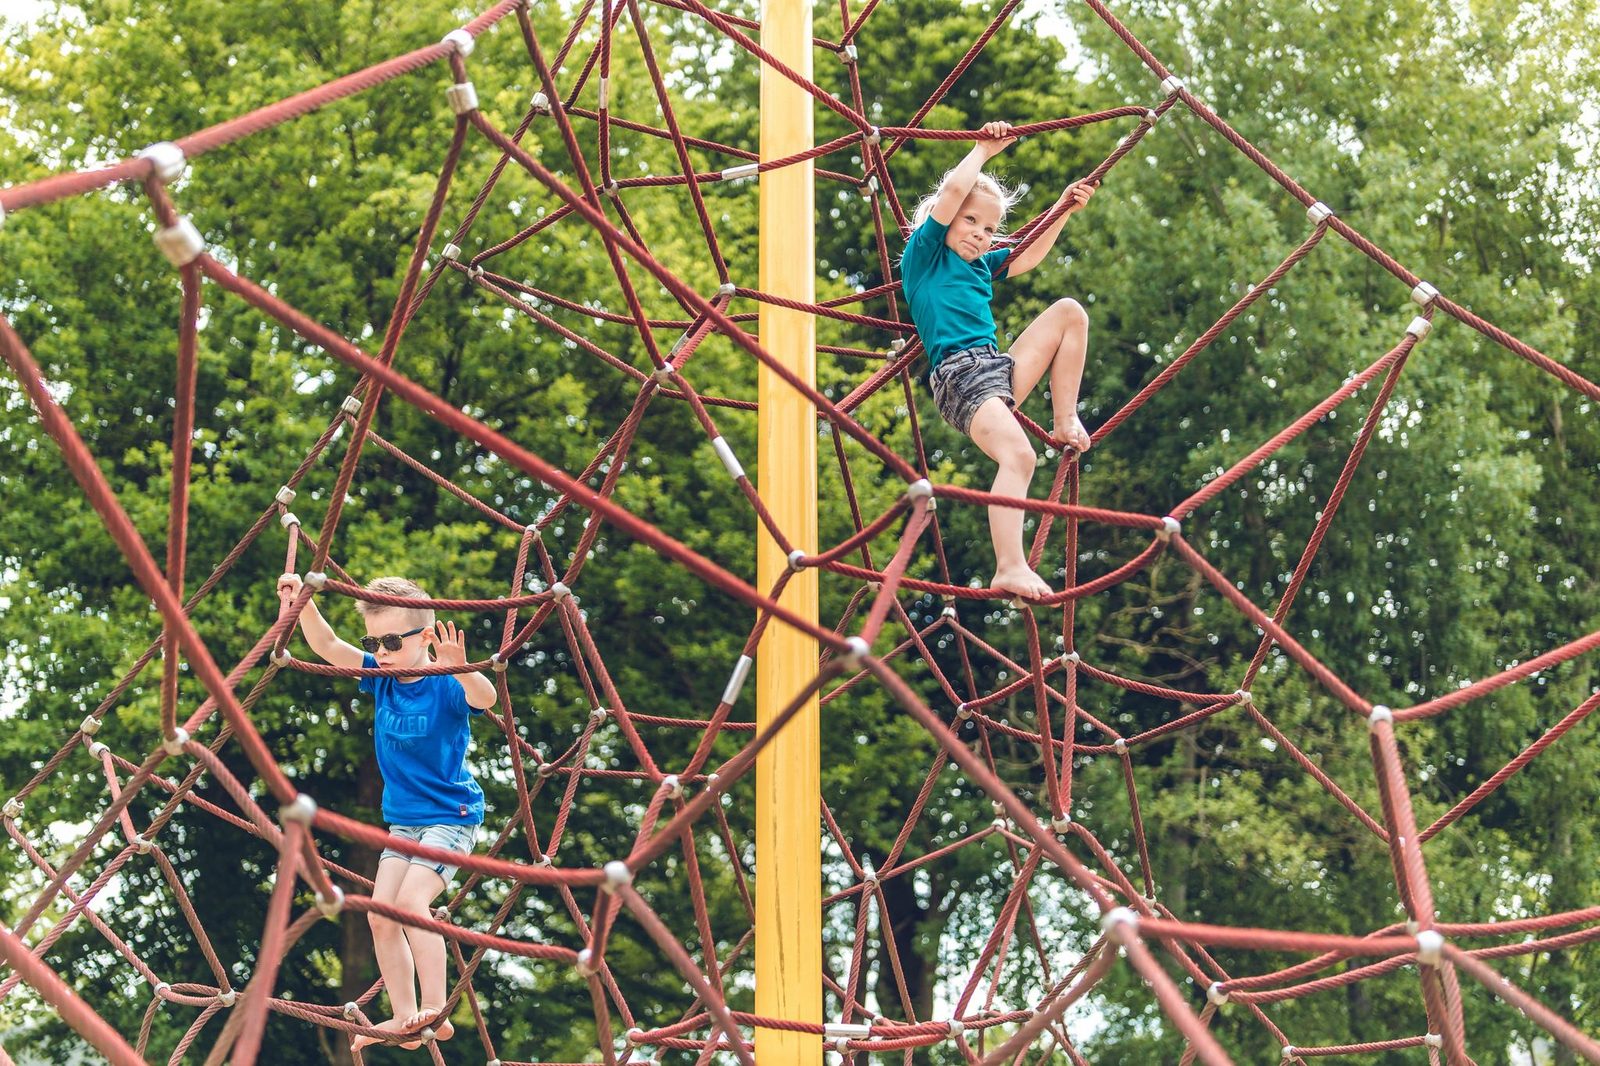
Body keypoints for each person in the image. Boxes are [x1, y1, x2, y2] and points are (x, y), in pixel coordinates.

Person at [276, 573, 496, 1051]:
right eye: (375, 641)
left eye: (394, 640)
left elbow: (486, 698)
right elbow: (329, 645)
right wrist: (302, 601)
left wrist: (461, 669)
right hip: (403, 824)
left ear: (426, 636)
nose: (383, 650)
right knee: (380, 917)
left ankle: (436, 1011)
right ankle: (405, 1017)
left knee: (412, 906)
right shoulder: (381, 678)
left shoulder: (444, 683)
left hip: (450, 817)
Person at [900, 120, 1096, 600]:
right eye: (970, 221)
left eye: (989, 228)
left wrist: (1063, 209)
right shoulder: (924, 257)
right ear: (944, 220)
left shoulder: (980, 265)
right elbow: (951, 191)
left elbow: (1027, 256)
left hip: (996, 371)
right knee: (1019, 455)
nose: (979, 235)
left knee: (1070, 312)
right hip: (960, 378)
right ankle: (1009, 565)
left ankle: (1065, 416)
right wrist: (981, 152)